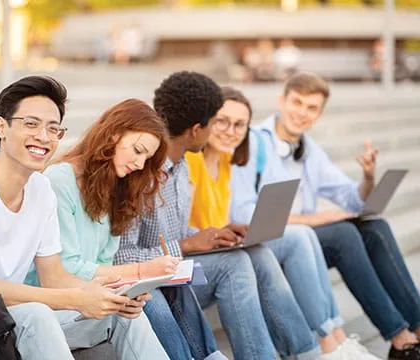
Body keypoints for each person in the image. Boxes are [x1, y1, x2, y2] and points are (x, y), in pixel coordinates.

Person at [0, 76, 168, 360]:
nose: (43, 137)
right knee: (37, 314)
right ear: (2, 126)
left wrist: (108, 296)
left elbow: (54, 276)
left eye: (53, 129)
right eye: (31, 124)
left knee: (120, 315)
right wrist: (76, 299)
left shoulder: (42, 191)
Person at [116, 71, 325, 360]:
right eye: (217, 121)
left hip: (172, 271)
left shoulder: (179, 168)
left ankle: (307, 354)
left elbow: (173, 232)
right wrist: (187, 245)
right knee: (236, 264)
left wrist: (213, 234)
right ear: (197, 129)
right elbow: (121, 256)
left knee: (248, 255)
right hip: (145, 281)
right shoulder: (141, 171)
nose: (221, 129)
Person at [231, 71, 420, 360]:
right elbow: (244, 214)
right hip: (274, 242)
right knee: (342, 234)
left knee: (375, 227)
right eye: (298, 103)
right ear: (282, 101)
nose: (302, 113)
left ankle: (417, 327)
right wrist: (313, 219)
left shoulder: (309, 150)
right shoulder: (254, 142)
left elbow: (351, 197)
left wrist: (368, 177)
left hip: (309, 242)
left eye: (312, 108)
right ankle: (399, 337)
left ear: (319, 114)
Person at [24, 98, 226, 360]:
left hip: (87, 299)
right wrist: (142, 270)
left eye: (147, 157)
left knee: (139, 305)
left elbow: (104, 262)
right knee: (132, 313)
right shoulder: (59, 180)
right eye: (138, 150)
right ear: (114, 134)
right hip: (52, 305)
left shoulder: (113, 186)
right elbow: (64, 269)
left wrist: (129, 286)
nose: (141, 165)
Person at [187, 85, 379, 359]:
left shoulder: (228, 161)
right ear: (206, 121)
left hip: (223, 247)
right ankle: (326, 346)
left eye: (239, 124)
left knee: (298, 238)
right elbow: (183, 231)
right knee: (293, 239)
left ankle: (329, 343)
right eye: (223, 122)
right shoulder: (192, 162)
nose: (231, 131)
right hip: (200, 260)